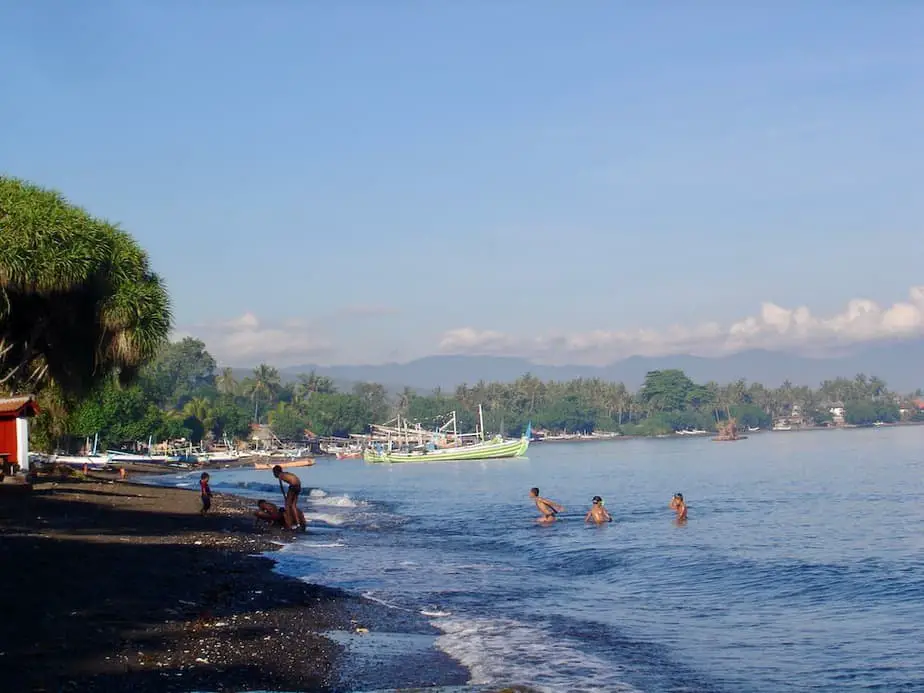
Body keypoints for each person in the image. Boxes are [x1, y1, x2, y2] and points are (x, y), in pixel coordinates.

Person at [273, 465, 302, 530]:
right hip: (298, 486)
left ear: (276, 472)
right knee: (293, 505)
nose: (274, 475)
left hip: (293, 486)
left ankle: (290, 524)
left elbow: (281, 487)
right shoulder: (286, 473)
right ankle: (298, 523)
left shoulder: (280, 475)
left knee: (287, 506)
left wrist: (285, 497)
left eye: (274, 473)